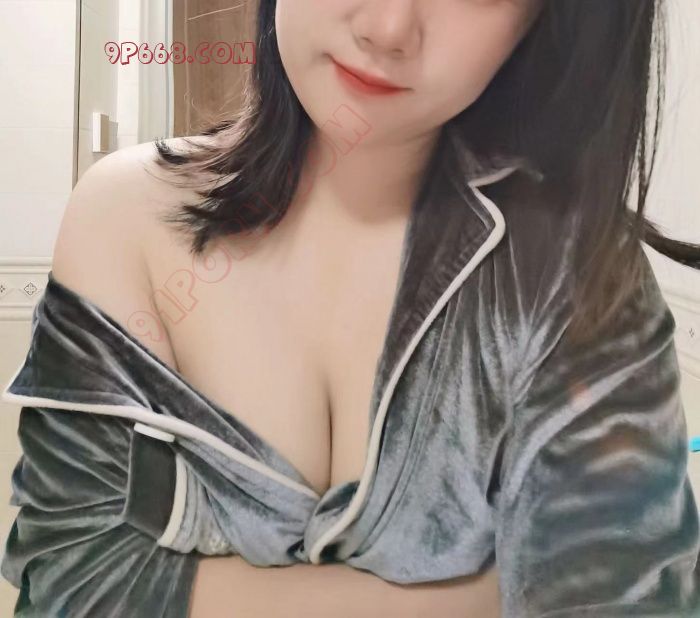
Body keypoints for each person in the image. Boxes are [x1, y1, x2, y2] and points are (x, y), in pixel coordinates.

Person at [4, 0, 700, 616]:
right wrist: (481, 598)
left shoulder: (576, 267)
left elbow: (620, 599)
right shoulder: (124, 216)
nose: (389, 27)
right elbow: (73, 583)